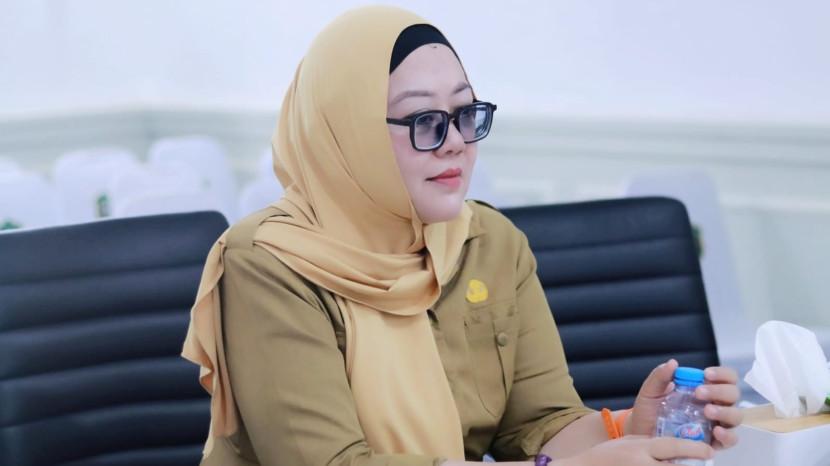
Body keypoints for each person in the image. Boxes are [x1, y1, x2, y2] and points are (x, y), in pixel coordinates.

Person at [182, 6, 742, 466]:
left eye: (464, 112)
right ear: (347, 134)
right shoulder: (268, 261)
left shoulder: (488, 241)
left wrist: (630, 431)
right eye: (423, 121)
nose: (456, 142)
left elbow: (539, 425)